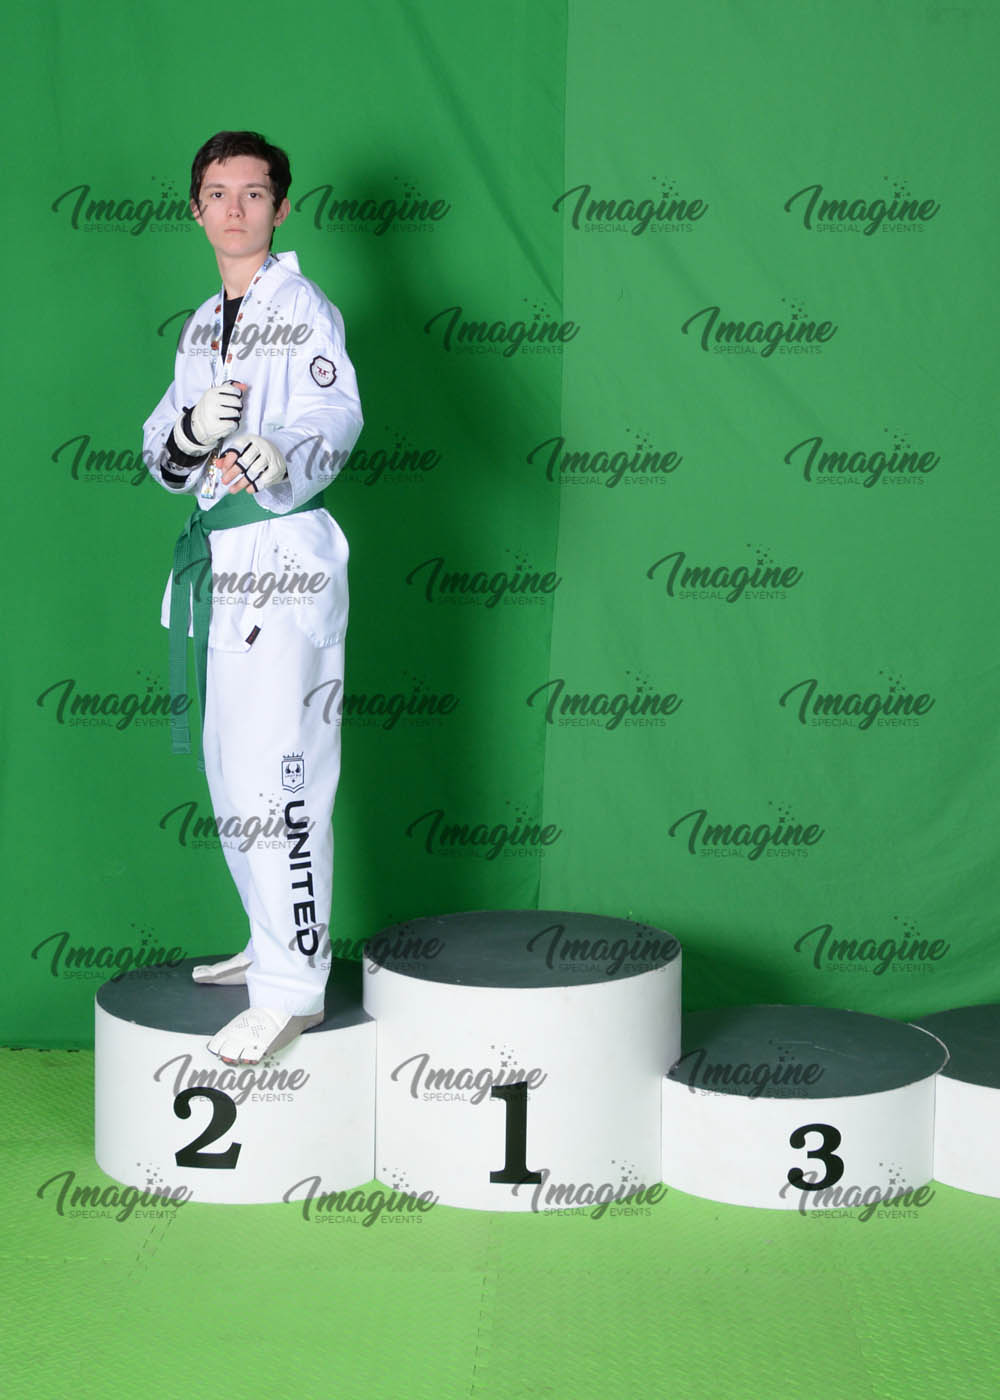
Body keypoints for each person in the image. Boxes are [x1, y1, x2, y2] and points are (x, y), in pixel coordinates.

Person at [142, 131, 363, 1066]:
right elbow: (159, 448)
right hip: (224, 563)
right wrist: (191, 433)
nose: (235, 208)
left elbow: (337, 411)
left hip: (284, 556)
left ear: (281, 207)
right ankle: (266, 940)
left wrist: (282, 450)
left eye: (254, 193)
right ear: (197, 209)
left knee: (282, 775)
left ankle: (293, 987)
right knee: (231, 766)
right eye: (218, 193)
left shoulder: (302, 306)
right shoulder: (203, 324)